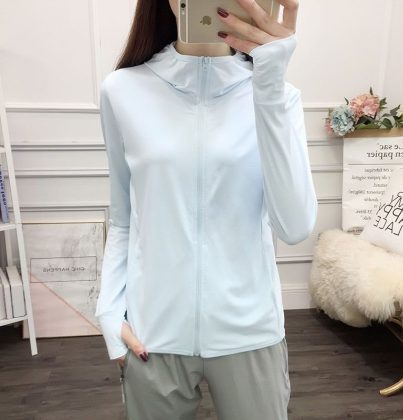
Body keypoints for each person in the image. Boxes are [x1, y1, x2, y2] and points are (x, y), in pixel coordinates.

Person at [95, 0, 317, 419]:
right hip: (153, 334)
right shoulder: (122, 90)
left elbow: (294, 226)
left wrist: (269, 86)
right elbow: (123, 218)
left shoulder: (278, 95)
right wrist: (108, 309)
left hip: (250, 333)